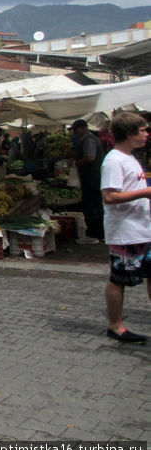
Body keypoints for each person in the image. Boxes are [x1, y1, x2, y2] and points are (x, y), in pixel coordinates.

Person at [99, 112, 151, 343]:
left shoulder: (130, 157)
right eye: (143, 131)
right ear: (130, 134)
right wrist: (145, 192)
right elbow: (109, 196)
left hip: (142, 228)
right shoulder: (113, 161)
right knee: (119, 278)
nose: (146, 134)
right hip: (124, 232)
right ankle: (116, 326)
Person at [70, 119, 104, 240]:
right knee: (93, 203)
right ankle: (97, 231)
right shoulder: (86, 140)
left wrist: (76, 162)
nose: (74, 133)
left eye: (75, 130)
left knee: (93, 204)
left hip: (92, 177)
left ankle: (96, 233)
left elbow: (90, 158)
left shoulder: (89, 140)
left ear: (83, 128)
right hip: (92, 177)